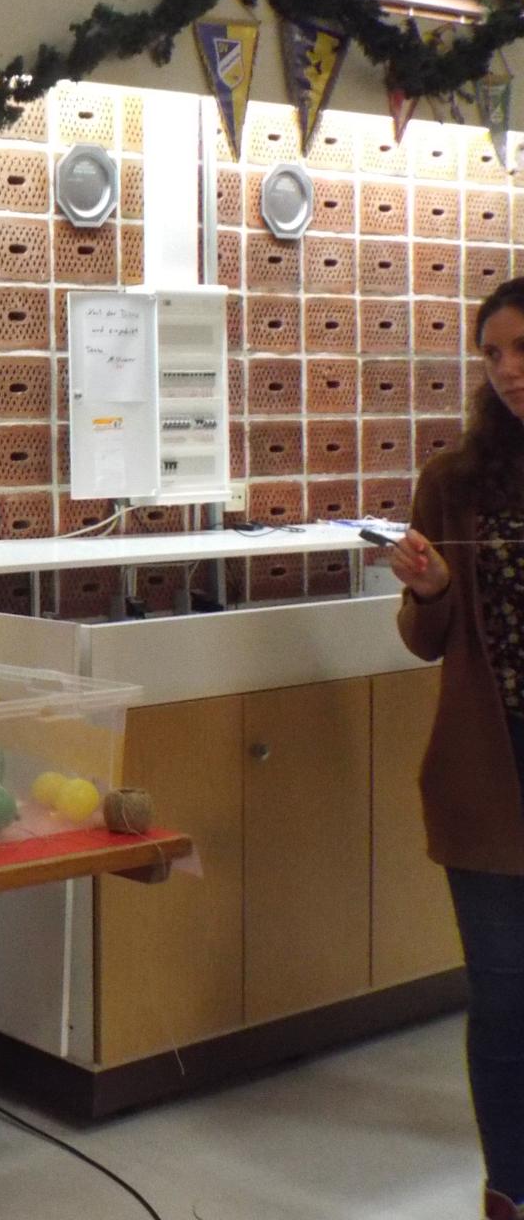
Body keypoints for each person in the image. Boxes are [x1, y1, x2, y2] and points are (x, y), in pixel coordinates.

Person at [392, 275, 524, 1220]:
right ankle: (510, 1187)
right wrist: (431, 589)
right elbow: (425, 639)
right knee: (505, 996)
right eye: (493, 354)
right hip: (488, 772)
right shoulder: (454, 482)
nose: (509, 370)